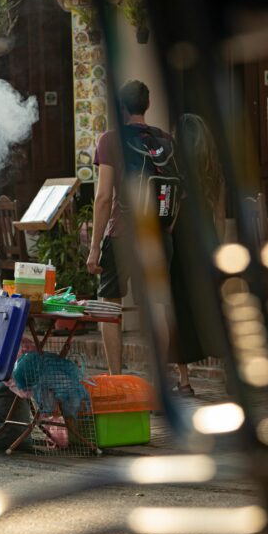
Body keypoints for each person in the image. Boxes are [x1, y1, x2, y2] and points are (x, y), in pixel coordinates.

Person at [86, 79, 170, 375]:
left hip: (122, 235)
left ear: (121, 107)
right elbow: (177, 194)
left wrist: (94, 247)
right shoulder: (164, 140)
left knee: (110, 307)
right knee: (157, 307)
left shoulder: (111, 140)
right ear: (146, 105)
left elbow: (104, 197)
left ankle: (116, 379)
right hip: (157, 237)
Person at [168, 114, 225, 395]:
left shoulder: (175, 170)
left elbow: (173, 213)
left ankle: (184, 380)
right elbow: (220, 215)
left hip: (181, 244)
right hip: (208, 243)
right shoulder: (212, 169)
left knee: (179, 309)